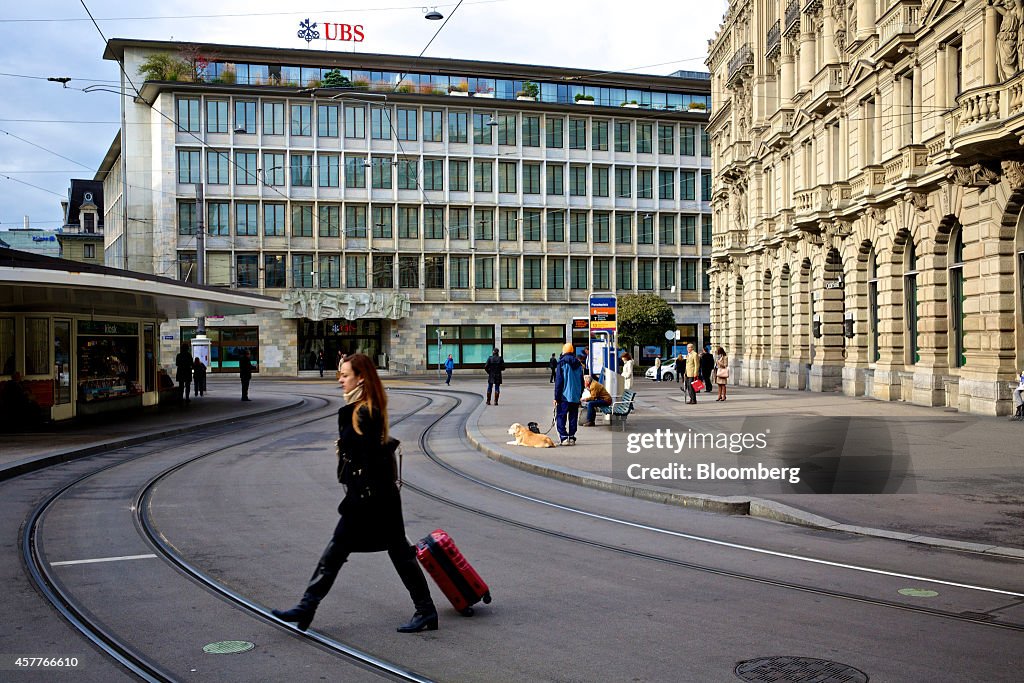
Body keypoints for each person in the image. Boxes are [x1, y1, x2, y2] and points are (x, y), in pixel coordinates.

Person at [272, 354, 437, 634]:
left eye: (345, 375)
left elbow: (372, 459)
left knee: (349, 550)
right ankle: (308, 607)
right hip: (376, 496)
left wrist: (361, 496)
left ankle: (308, 606)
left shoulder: (363, 412)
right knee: (386, 552)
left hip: (370, 498)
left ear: (360, 377)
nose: (340, 380)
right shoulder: (362, 408)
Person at [553, 342, 584, 446]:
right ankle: (571, 437)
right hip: (575, 395)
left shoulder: (561, 363)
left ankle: (564, 437)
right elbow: (582, 381)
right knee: (573, 416)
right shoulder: (578, 363)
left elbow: (559, 382)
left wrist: (556, 397)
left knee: (561, 416)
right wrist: (580, 394)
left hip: (564, 395)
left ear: (564, 351)